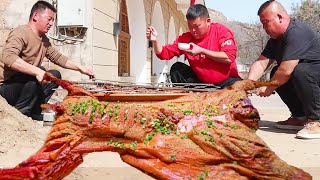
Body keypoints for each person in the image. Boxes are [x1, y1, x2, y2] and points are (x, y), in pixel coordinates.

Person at [0, 1, 95, 120]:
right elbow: (8, 56)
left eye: (53, 20)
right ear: (35, 16)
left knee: (54, 75)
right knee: (39, 71)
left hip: (25, 87)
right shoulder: (21, 32)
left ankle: (35, 108)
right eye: (49, 19)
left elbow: (58, 58)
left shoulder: (43, 40)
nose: (51, 23)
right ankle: (22, 113)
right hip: (6, 89)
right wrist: (36, 71)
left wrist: (81, 68)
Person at [248, 0, 320, 139]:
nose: (264, 28)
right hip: (309, 78)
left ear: (279, 17)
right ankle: (300, 117)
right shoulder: (275, 41)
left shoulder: (297, 32)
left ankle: (317, 120)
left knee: (299, 71)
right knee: (276, 72)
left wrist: (268, 88)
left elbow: (286, 70)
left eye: (265, 22)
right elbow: (261, 63)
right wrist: (249, 83)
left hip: (314, 77)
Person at [146, 4, 241, 88]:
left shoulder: (221, 31)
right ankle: (186, 99)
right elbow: (163, 54)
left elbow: (229, 57)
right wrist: (155, 41)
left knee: (238, 86)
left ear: (208, 21)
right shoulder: (185, 38)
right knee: (177, 69)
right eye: (190, 26)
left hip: (227, 82)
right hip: (203, 84)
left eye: (197, 26)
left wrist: (202, 51)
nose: (193, 30)